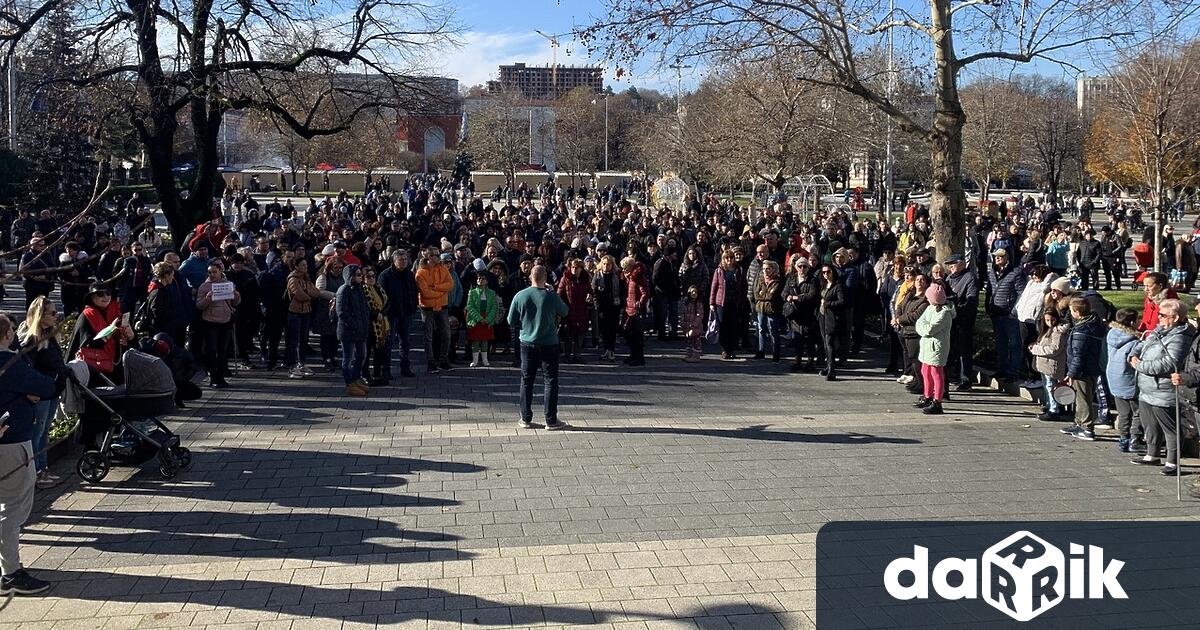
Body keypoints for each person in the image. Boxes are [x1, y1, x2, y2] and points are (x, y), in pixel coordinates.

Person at [0, 312, 57, 595]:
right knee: (12, 507)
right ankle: (10, 573)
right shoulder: (10, 363)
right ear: (7, 335)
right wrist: (25, 396)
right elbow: (46, 387)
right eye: (12, 329)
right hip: (12, 442)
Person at [1130, 299, 1193, 475]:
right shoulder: (1160, 330)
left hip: (1163, 389)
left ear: (1176, 317)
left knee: (1169, 426)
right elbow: (1142, 344)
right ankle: (1152, 454)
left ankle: (1172, 461)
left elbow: (1169, 363)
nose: (1158, 318)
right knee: (1149, 423)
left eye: (1163, 315)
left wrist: (1140, 366)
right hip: (1146, 387)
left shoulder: (1180, 337)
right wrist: (1133, 354)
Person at [507, 264, 569, 429]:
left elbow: (510, 320)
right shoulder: (551, 296)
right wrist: (552, 292)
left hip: (527, 342)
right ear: (545, 278)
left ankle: (525, 418)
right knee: (550, 380)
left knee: (527, 380)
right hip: (549, 343)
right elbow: (564, 311)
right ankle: (551, 419)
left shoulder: (520, 295)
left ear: (530, 277)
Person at [17, 297, 68, 489]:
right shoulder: (33, 339)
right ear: (41, 316)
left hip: (52, 390)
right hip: (42, 393)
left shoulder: (50, 334)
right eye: (53, 313)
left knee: (44, 431)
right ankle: (37, 472)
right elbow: (27, 367)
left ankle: (43, 468)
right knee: (37, 433)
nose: (56, 316)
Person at [67, 283, 134, 380]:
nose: (105, 297)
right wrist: (110, 330)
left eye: (108, 293)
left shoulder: (117, 311)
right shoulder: (86, 316)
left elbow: (132, 341)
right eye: (100, 294)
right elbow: (85, 346)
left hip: (118, 367)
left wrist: (131, 336)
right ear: (92, 298)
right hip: (96, 370)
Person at [196, 263, 241, 388]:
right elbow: (199, 305)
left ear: (221, 271)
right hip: (210, 322)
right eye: (209, 272)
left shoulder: (228, 284)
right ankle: (213, 377)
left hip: (225, 321)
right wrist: (207, 298)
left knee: (223, 351)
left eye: (214, 272)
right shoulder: (204, 287)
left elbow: (234, 303)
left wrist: (237, 296)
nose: (212, 275)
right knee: (212, 351)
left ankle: (221, 376)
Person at [986, 249, 1028, 382]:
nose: (997, 259)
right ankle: (1002, 368)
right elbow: (990, 290)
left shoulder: (1015, 272)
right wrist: (989, 307)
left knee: (1015, 344)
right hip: (996, 313)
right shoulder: (992, 272)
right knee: (1001, 344)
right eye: (995, 257)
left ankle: (1013, 371)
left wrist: (1014, 311)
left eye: (1000, 257)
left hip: (1010, 315)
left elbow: (1021, 293)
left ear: (1007, 258)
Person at [914, 282, 955, 414]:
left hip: (937, 347)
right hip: (927, 345)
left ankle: (937, 401)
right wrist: (923, 327)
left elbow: (930, 329)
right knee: (925, 371)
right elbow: (920, 321)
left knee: (936, 373)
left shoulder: (944, 313)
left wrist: (923, 328)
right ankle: (927, 396)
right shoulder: (930, 308)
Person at [378, 250, 418, 379]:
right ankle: (386, 370)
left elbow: (413, 290)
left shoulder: (409, 274)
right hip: (391, 313)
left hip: (406, 312)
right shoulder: (385, 275)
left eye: (405, 260)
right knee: (388, 343)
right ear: (394, 261)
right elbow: (382, 295)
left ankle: (405, 368)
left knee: (405, 342)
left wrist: (413, 306)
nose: (403, 262)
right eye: (400, 260)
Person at [1107, 308, 1142, 453]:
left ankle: (1123, 438)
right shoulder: (1135, 341)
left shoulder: (1111, 334)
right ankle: (1135, 439)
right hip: (1128, 378)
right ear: (1133, 322)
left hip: (1114, 376)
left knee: (1123, 412)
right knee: (1137, 411)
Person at [415, 246, 453, 373]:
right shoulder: (421, 272)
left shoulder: (442, 267)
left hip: (442, 307)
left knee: (446, 335)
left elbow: (450, 284)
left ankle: (443, 360)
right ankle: (430, 362)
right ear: (429, 257)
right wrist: (441, 292)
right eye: (436, 255)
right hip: (427, 308)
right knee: (428, 336)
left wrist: (435, 287)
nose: (439, 257)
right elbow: (425, 293)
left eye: (439, 254)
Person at [1029, 309, 1071, 421]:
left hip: (1051, 363)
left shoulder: (1058, 331)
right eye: (1047, 320)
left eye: (1052, 320)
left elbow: (1054, 349)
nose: (1050, 322)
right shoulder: (1047, 329)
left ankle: (1054, 409)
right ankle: (1050, 405)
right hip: (1044, 363)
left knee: (1050, 386)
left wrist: (1036, 349)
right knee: (1047, 385)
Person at [335, 264, 371, 396]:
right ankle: (349, 383)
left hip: (361, 329)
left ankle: (356, 378)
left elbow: (364, 309)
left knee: (362, 355)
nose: (360, 277)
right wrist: (355, 324)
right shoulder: (344, 290)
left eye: (361, 274)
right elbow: (342, 312)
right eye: (357, 275)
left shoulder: (359, 288)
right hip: (348, 330)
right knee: (348, 358)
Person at [285, 259, 323, 379]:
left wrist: (308, 293)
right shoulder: (293, 279)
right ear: (296, 266)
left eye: (306, 264)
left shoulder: (306, 278)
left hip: (306, 311)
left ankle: (302, 363)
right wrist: (308, 294)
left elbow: (316, 292)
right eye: (302, 265)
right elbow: (299, 294)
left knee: (304, 340)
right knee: (293, 340)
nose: (305, 267)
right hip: (295, 312)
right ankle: (292, 365)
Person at [783, 255, 820, 372]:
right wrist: (787, 296)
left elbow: (812, 295)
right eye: (800, 266)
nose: (802, 269)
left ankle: (810, 362)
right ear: (796, 267)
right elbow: (783, 292)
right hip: (795, 314)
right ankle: (797, 361)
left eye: (805, 266)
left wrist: (796, 297)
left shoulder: (813, 279)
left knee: (810, 340)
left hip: (809, 314)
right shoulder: (791, 278)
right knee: (797, 339)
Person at [710, 250, 746, 360]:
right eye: (727, 258)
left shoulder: (739, 270)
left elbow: (744, 286)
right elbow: (714, 287)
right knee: (723, 326)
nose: (729, 260)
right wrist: (712, 303)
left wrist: (742, 300)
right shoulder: (719, 270)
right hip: (722, 302)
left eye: (731, 258)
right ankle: (724, 349)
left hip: (734, 302)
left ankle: (731, 349)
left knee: (733, 326)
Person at [556, 257, 592, 363]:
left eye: (577, 268)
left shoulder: (585, 278)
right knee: (568, 334)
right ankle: (567, 355)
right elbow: (560, 293)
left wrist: (590, 295)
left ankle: (577, 355)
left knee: (580, 334)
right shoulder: (565, 278)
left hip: (581, 310)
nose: (574, 269)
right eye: (573, 267)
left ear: (581, 269)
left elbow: (590, 290)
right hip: (569, 309)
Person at [465, 270, 501, 367]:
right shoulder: (471, 293)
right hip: (476, 319)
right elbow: (469, 306)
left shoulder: (492, 293)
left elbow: (494, 307)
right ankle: (475, 360)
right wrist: (479, 318)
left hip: (487, 318)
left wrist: (488, 319)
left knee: (485, 340)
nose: (480, 280)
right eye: (478, 278)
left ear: (487, 281)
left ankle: (485, 359)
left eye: (483, 278)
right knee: (475, 340)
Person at [816, 264, 845, 381]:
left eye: (828, 272)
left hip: (832, 317)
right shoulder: (824, 284)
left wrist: (828, 304)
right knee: (825, 342)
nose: (826, 274)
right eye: (823, 273)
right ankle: (828, 367)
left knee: (830, 342)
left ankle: (832, 370)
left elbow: (841, 301)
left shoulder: (838, 285)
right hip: (822, 315)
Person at [752, 260, 785, 363]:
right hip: (760, 308)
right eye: (764, 269)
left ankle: (776, 353)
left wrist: (764, 294)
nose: (765, 271)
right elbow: (756, 294)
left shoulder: (777, 281)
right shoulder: (760, 279)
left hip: (772, 309)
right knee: (761, 329)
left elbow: (772, 296)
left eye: (768, 269)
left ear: (773, 269)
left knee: (773, 331)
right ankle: (761, 351)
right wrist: (764, 294)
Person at [592, 255, 622, 362]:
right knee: (604, 330)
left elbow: (621, 291)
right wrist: (598, 307)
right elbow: (594, 292)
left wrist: (619, 305)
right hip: (602, 307)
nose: (606, 266)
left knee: (612, 330)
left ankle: (611, 350)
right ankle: (606, 350)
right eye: (604, 264)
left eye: (608, 264)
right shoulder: (598, 275)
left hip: (614, 306)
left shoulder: (616, 276)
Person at [620, 256, 649, 366]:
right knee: (629, 334)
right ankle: (633, 354)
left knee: (637, 335)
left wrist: (640, 304)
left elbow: (645, 293)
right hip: (628, 309)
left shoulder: (638, 277)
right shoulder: (628, 278)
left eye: (625, 268)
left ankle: (639, 357)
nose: (623, 270)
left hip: (636, 310)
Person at [680, 285, 705, 363]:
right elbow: (683, 313)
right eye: (692, 292)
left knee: (696, 341)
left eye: (696, 292)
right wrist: (683, 323)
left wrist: (694, 325)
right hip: (687, 325)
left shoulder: (698, 303)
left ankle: (696, 356)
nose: (694, 293)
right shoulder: (686, 303)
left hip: (695, 326)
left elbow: (699, 315)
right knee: (689, 341)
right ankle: (689, 354)